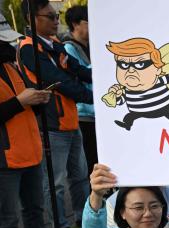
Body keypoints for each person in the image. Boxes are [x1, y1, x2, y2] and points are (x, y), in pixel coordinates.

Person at [0, 9, 76, 228]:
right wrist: (21, 101)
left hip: (31, 150)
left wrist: (36, 99)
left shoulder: (9, 65)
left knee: (34, 208)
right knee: (6, 219)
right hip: (0, 159)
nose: (6, 46)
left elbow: (21, 101)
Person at [19, 0, 93, 228]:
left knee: (80, 176)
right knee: (56, 181)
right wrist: (94, 96)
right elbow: (58, 80)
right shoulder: (29, 48)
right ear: (32, 18)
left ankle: (85, 219)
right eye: (50, 16)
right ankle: (60, 225)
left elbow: (78, 71)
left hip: (71, 121)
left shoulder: (57, 44)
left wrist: (107, 78)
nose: (56, 20)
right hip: (51, 124)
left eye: (56, 15)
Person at [64, 5, 96, 177]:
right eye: (88, 22)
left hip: (97, 112)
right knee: (89, 162)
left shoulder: (93, 46)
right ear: (75, 24)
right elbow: (81, 74)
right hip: (84, 114)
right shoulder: (68, 48)